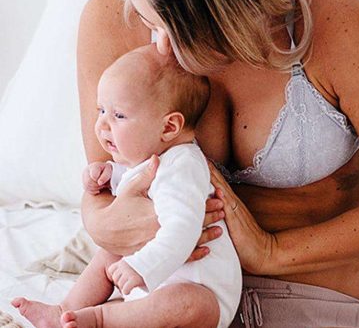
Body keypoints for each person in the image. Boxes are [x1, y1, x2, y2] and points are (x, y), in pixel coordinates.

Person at [74, 0, 359, 327]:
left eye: (182, 28)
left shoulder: (331, 21)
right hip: (162, 303)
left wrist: (271, 252)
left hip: (312, 303)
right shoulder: (111, 14)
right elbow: (104, 188)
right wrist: (102, 223)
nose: (164, 49)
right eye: (149, 24)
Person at [12, 47, 242, 328]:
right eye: (101, 110)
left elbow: (183, 229)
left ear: (169, 127)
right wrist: (105, 177)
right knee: (112, 249)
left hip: (203, 294)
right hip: (151, 284)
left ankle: (98, 320)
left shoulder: (184, 167)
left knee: (187, 301)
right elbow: (130, 187)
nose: (102, 124)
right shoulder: (147, 160)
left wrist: (141, 266)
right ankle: (66, 309)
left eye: (118, 115)